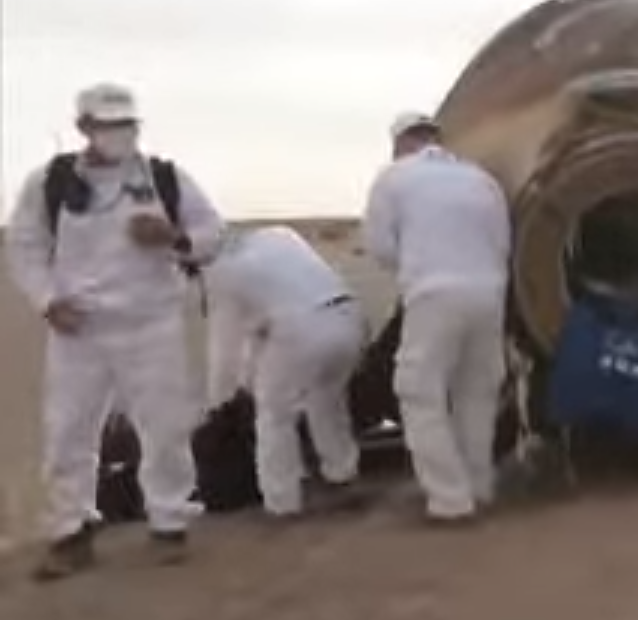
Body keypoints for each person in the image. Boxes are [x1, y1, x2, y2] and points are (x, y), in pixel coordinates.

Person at [4, 83, 225, 580]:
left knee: (165, 425)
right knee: (68, 432)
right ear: (83, 127)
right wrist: (47, 301)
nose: (118, 135)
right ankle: (71, 530)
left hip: (152, 324)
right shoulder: (50, 183)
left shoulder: (166, 178)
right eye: (108, 125)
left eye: (126, 125)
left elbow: (212, 235)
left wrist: (173, 238)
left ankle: (169, 521)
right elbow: (26, 247)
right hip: (79, 330)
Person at [361, 111, 512, 523]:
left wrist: (416, 266)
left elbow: (380, 246)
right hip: (489, 294)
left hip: (433, 293)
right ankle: (479, 487)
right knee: (476, 395)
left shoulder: (394, 178)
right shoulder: (481, 179)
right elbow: (502, 242)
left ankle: (449, 498)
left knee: (418, 392)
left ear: (400, 143)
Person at [200, 224, 367, 518]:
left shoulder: (221, 273)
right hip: (349, 317)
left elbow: (226, 346)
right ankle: (342, 475)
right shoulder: (280, 236)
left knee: (273, 413)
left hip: (302, 328)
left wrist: (220, 399)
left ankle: (282, 500)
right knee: (327, 398)